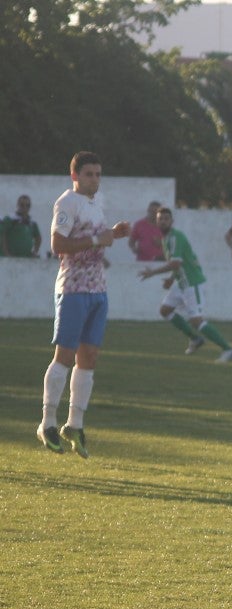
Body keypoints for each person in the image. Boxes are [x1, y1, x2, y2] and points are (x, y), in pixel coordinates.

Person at [37, 151, 130, 458]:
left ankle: (74, 424)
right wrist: (97, 240)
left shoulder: (96, 202)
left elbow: (97, 238)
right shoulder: (67, 202)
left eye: (98, 174)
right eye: (89, 174)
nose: (95, 180)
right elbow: (58, 244)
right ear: (75, 175)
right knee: (64, 355)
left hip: (97, 289)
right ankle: (47, 423)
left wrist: (113, 234)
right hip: (73, 288)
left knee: (89, 357)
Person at [138, 207, 232, 362]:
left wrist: (152, 272)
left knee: (196, 321)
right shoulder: (166, 239)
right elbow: (181, 262)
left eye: (166, 218)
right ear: (156, 222)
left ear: (172, 221)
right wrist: (171, 278)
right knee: (165, 310)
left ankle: (228, 349)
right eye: (160, 219)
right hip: (181, 283)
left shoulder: (176, 237)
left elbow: (176, 263)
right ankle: (195, 339)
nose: (163, 221)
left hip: (192, 283)